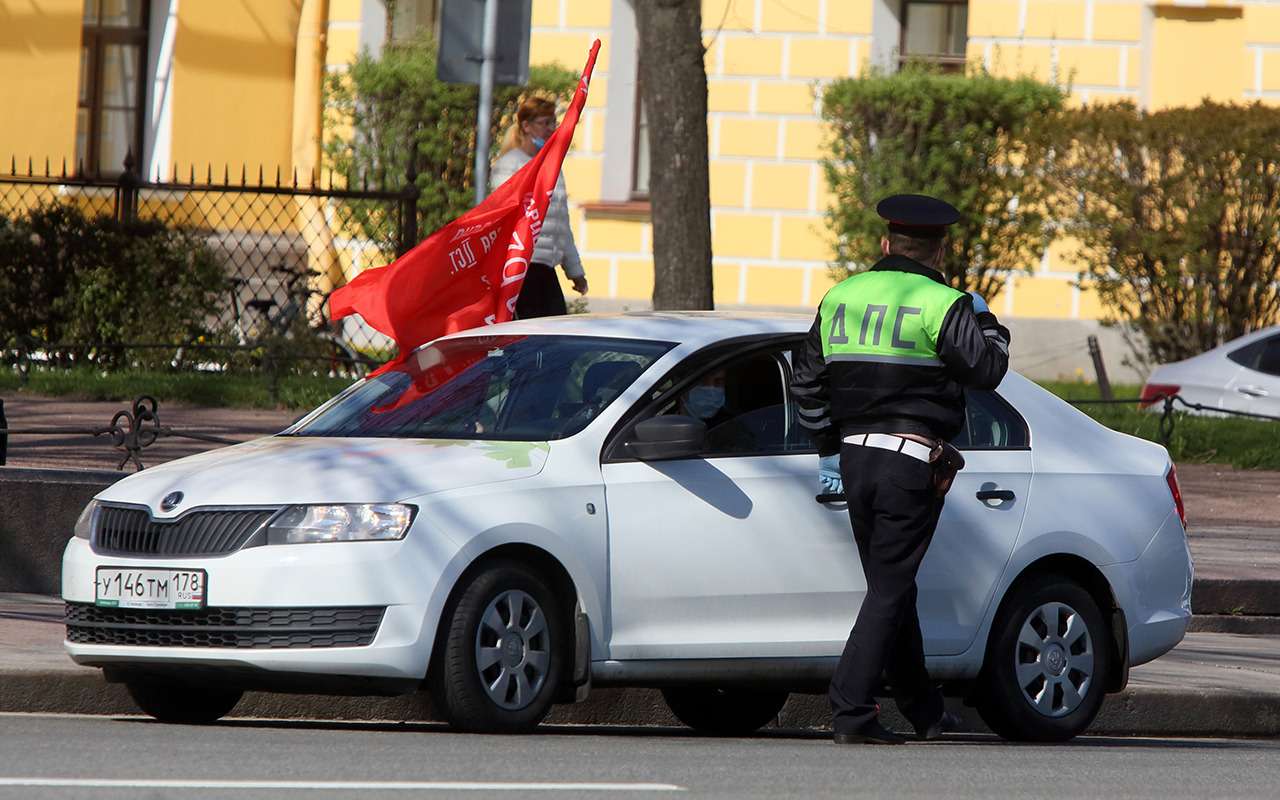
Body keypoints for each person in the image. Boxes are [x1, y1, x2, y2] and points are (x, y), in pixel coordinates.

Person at [791, 194, 1012, 745]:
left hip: (854, 459)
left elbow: (806, 381)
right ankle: (851, 710)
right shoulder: (944, 303)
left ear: (886, 243)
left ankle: (924, 709)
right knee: (890, 589)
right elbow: (988, 370)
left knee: (894, 585)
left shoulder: (840, 296)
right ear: (940, 251)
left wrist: (827, 446)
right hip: (909, 462)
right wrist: (987, 321)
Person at [491, 96, 588, 318]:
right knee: (529, 328)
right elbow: (503, 213)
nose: (550, 129)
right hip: (520, 265)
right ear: (526, 126)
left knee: (555, 324)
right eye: (544, 123)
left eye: (553, 122)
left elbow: (562, 225)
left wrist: (575, 271)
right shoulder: (511, 165)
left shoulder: (552, 167)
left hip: (545, 265)